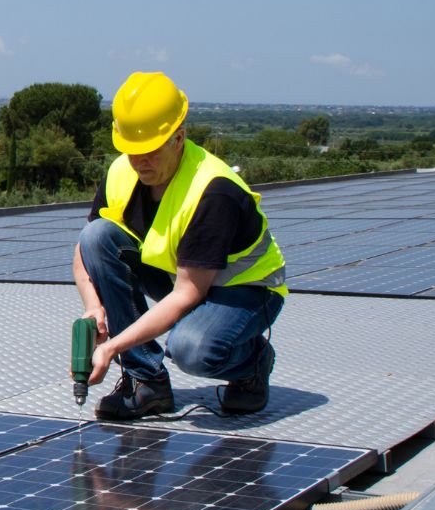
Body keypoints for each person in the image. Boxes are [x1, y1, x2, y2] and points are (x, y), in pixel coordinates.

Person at [73, 72, 286, 420]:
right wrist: (92, 306)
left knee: (191, 349)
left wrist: (112, 346)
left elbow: (188, 294)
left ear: (179, 138)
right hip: (182, 274)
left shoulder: (213, 190)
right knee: (97, 236)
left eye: (151, 151)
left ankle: (252, 363)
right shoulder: (121, 172)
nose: (140, 162)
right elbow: (84, 253)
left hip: (245, 291)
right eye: (131, 152)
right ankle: (147, 383)